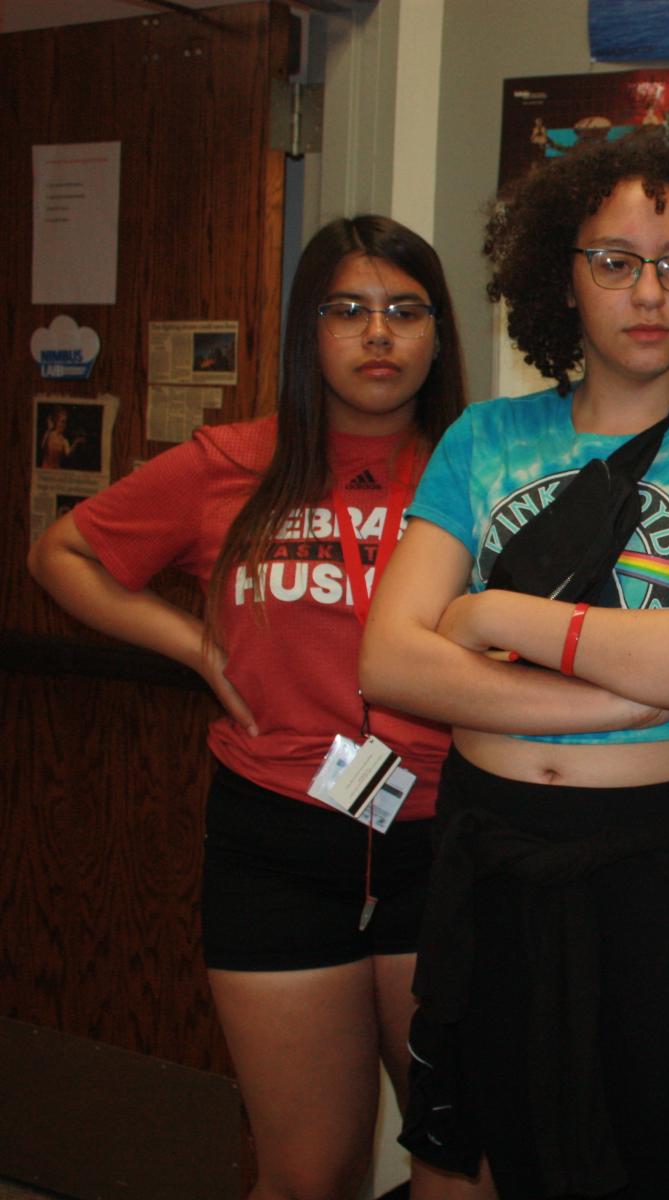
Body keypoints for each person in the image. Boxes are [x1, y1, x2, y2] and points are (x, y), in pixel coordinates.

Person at [358, 127, 669, 1200]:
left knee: (650, 1158)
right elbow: (390, 658)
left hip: (665, 868)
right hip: (489, 850)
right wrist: (632, 687)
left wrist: (488, 613)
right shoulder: (483, 438)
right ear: (561, 279)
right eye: (613, 261)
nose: (646, 291)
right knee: (468, 1156)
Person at [28, 215, 468, 1200]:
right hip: (274, 842)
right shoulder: (231, 462)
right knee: (308, 1175)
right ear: (308, 332)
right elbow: (62, 553)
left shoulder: (474, 469)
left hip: (443, 844)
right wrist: (192, 643)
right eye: (347, 311)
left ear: (439, 335)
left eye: (405, 311)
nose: (379, 335)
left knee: (459, 1172)